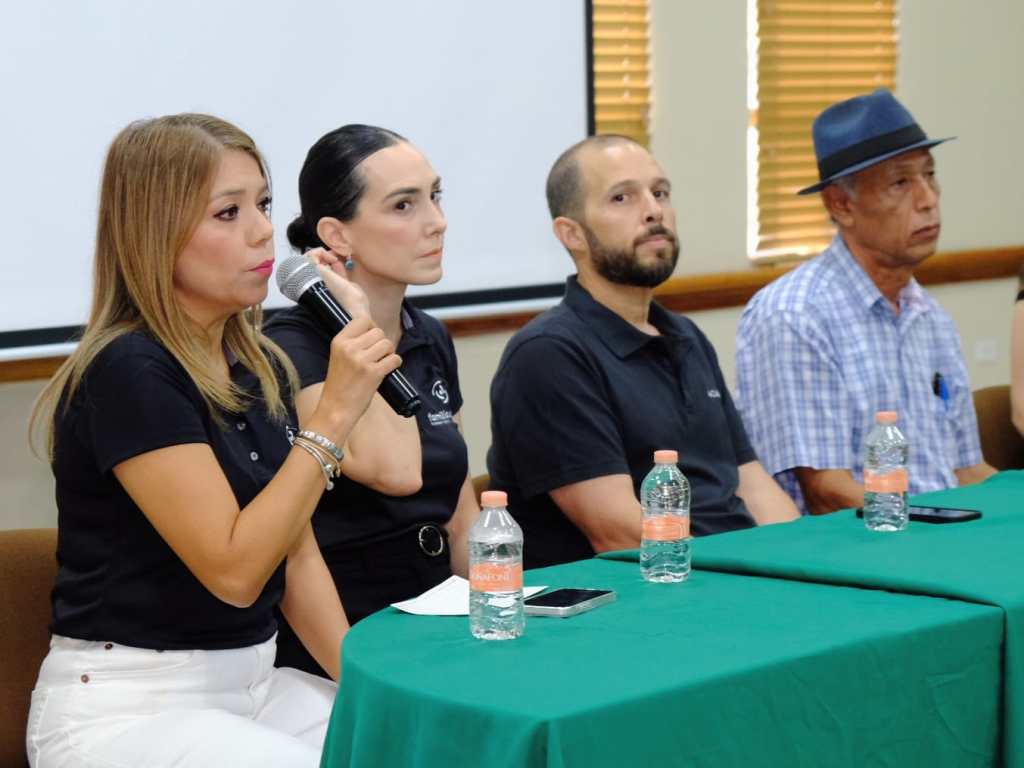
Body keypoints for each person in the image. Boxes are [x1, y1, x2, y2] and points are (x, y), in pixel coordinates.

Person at [25, 114, 400, 767]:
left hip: (254, 684)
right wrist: (335, 413)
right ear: (156, 233)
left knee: (416, 743)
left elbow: (296, 555)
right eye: (227, 213)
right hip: (131, 709)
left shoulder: (256, 364)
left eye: (263, 204)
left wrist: (367, 685)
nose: (262, 231)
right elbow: (235, 573)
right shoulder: (130, 370)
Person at [487, 134, 798, 570]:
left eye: (660, 192)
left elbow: (753, 484)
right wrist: (751, 584)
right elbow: (621, 532)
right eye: (622, 198)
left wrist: (803, 569)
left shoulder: (686, 335)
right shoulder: (549, 355)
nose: (654, 210)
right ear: (572, 234)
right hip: (648, 597)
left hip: (736, 573)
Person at [264, 125, 479, 676]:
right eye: (404, 205)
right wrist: (358, 318)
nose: (437, 221)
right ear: (337, 235)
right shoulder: (293, 346)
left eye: (435, 196)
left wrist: (507, 608)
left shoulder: (429, 335)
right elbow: (395, 471)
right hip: (353, 634)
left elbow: (458, 509)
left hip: (443, 614)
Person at [736, 89, 995, 516]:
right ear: (841, 204)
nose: (928, 198)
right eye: (901, 182)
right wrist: (939, 527)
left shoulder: (931, 316)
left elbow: (966, 470)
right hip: (859, 557)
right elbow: (827, 492)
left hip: (943, 536)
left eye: (929, 176)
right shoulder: (794, 315)